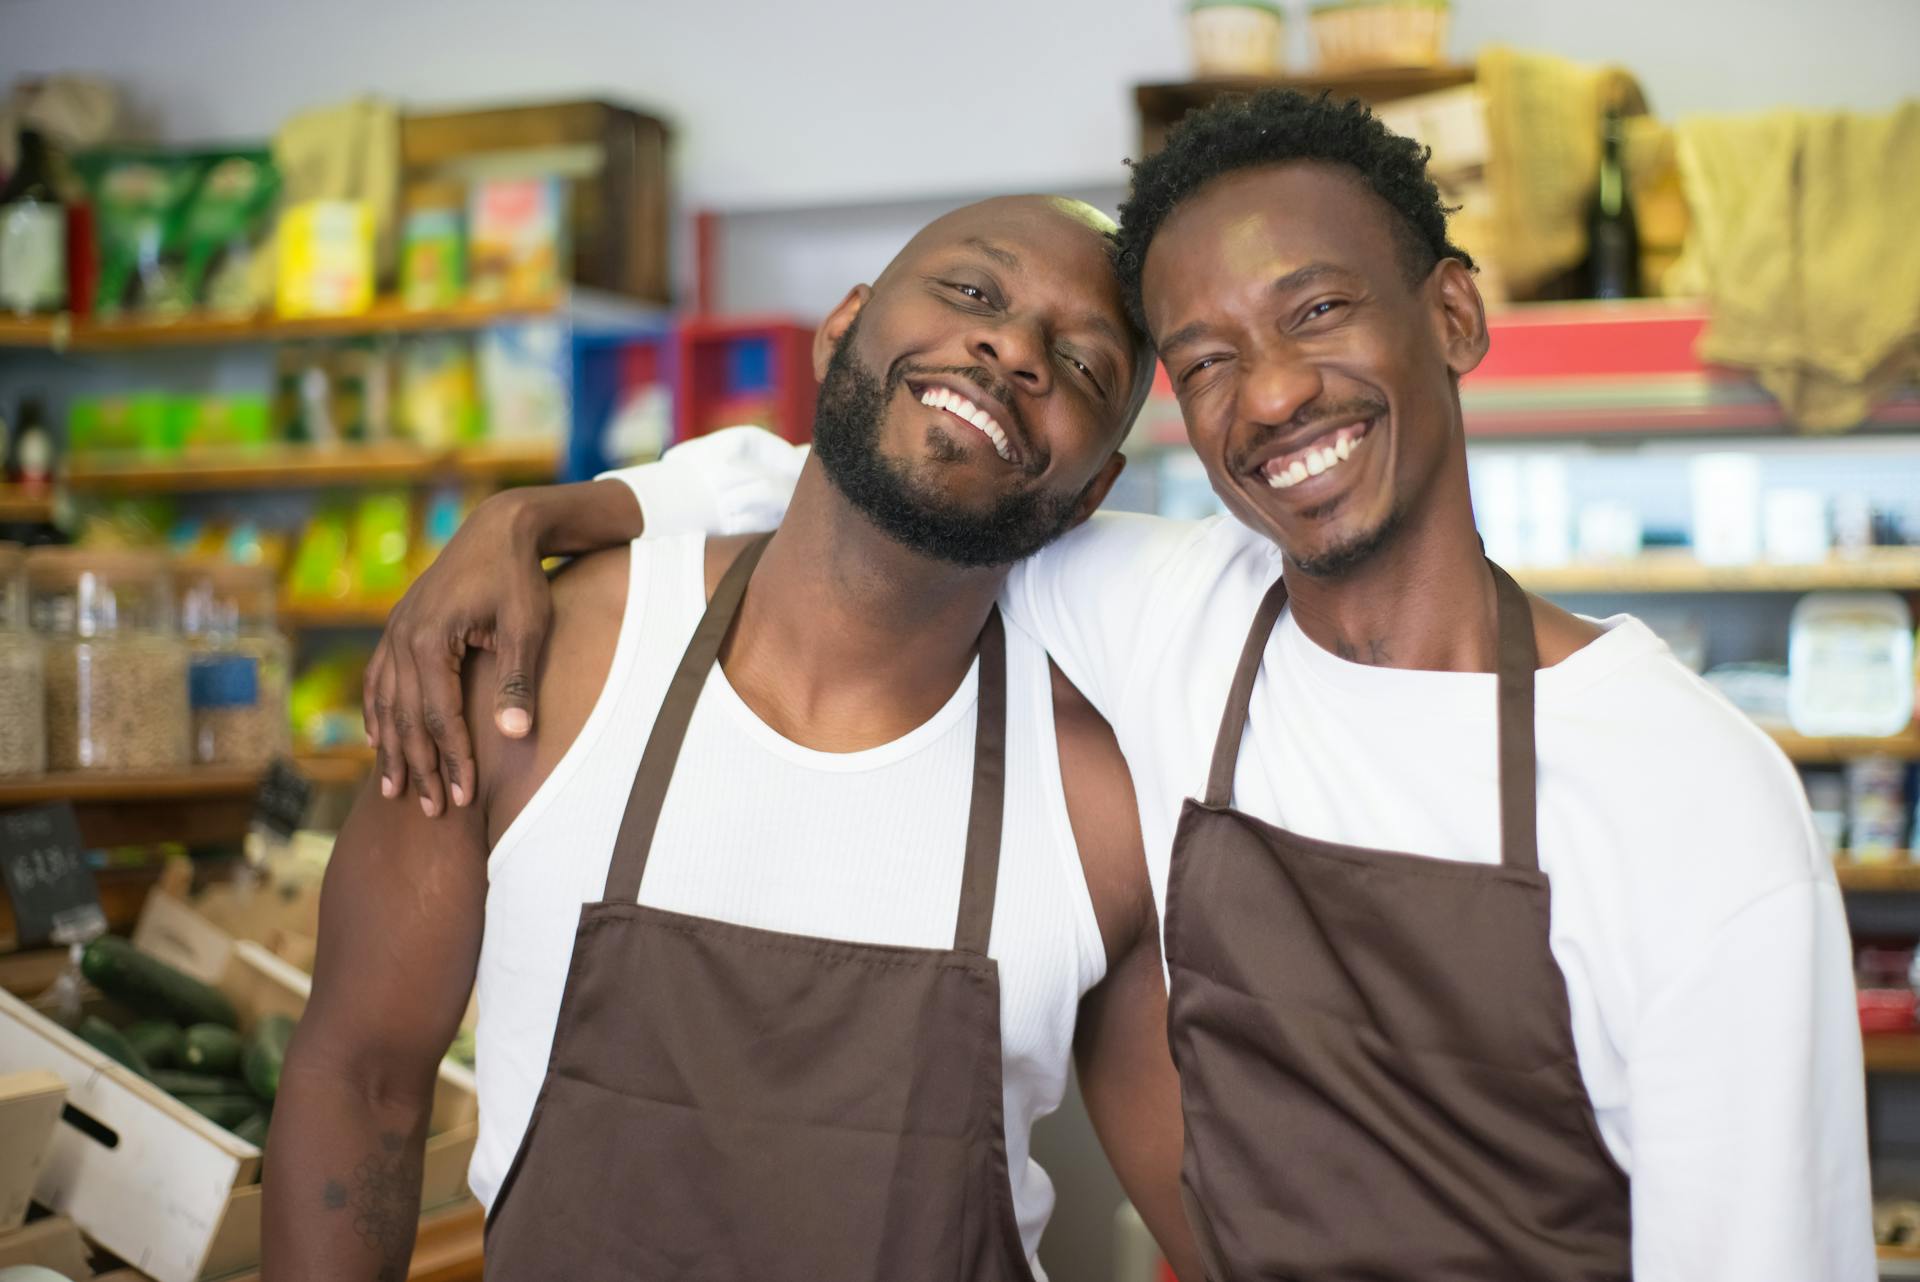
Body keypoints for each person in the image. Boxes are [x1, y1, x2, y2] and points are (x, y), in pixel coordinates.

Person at [368, 93, 1873, 1278]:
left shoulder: (1689, 796)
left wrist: (547, 514)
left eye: (1319, 313)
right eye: (1207, 360)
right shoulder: (1181, 622)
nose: (1270, 393)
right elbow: (886, 471)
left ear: (1456, 322)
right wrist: (553, 514)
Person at [266, 194, 1205, 1282]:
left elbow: (1220, 1221)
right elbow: (360, 1084)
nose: (1010, 347)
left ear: (1095, 491)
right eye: (972, 291)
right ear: (843, 327)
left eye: (1083, 365)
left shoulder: (1104, 794)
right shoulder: (538, 663)